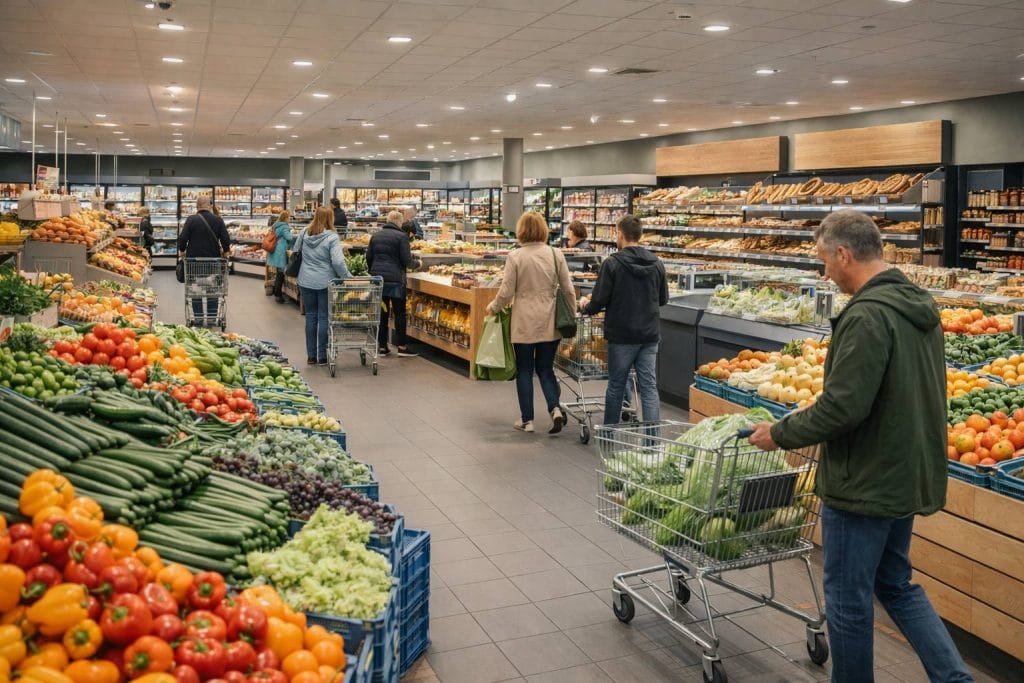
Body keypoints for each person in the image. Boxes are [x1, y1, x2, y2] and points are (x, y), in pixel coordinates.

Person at [747, 210, 971, 683]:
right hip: (904, 469)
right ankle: (955, 678)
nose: (824, 272)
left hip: (864, 480)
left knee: (848, 602)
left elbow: (843, 407)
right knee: (895, 584)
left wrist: (779, 433)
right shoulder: (917, 304)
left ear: (844, 254)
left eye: (824, 261)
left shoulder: (867, 315)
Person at [486, 211, 576, 434]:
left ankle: (528, 420)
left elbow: (506, 292)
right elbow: (568, 290)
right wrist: (571, 316)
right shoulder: (556, 254)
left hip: (524, 319)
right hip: (549, 319)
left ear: (521, 230)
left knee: (525, 370)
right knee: (545, 369)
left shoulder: (516, 256)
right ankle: (554, 408)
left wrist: (493, 307)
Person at [581, 215, 667, 426]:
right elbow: (663, 299)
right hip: (649, 335)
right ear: (641, 235)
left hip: (621, 335)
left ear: (620, 234)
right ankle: (652, 445)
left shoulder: (612, 263)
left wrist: (586, 306)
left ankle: (610, 437)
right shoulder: (657, 264)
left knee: (617, 385)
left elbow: (599, 299)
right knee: (648, 388)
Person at [294, 206, 351, 366]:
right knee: (324, 316)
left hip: (305, 280)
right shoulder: (332, 237)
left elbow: (295, 251)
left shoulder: (304, 232)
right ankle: (322, 357)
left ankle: (311, 356)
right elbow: (338, 262)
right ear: (330, 218)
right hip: (326, 282)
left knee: (310, 316)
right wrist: (347, 277)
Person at [367, 210, 417, 357]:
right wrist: (418, 263)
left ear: (387, 220)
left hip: (379, 280)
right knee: (399, 313)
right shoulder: (402, 237)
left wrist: (373, 271)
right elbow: (407, 261)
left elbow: (368, 256)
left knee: (382, 313)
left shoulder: (375, 235)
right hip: (396, 279)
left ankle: (382, 347)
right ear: (400, 222)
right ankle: (401, 346)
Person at [178, 195, 231, 324]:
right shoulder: (218, 220)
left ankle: (199, 318)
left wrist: (182, 250)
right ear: (210, 205)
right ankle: (212, 317)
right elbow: (225, 239)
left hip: (193, 261)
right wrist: (226, 251)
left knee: (195, 288)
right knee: (213, 288)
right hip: (213, 260)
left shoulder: (191, 220)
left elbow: (183, 238)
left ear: (197, 206)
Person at [267, 210, 295, 303]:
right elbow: (289, 238)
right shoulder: (284, 227)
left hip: (275, 250)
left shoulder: (276, 225)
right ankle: (278, 295)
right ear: (285, 218)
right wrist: (296, 235)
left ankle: (277, 292)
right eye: (289, 218)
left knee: (279, 272)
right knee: (280, 273)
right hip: (281, 251)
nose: (290, 219)